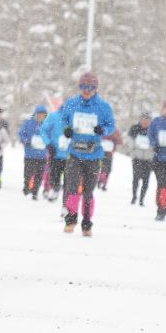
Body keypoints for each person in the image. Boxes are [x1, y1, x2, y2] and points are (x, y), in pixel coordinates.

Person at [56, 71, 115, 236]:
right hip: (75, 152)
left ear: (95, 88)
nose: (86, 90)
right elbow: (63, 120)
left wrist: (102, 129)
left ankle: (87, 223)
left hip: (94, 155)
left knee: (89, 191)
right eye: (83, 87)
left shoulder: (103, 107)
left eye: (90, 87)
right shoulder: (72, 104)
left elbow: (111, 125)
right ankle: (71, 219)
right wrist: (66, 129)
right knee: (72, 188)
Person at [40, 102, 71, 203]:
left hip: (71, 154)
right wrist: (48, 144)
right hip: (55, 152)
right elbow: (43, 130)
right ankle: (54, 189)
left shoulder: (74, 117)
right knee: (54, 174)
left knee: (70, 179)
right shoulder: (53, 116)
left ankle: (67, 201)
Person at [17, 105, 49, 201]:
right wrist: (25, 141)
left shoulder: (47, 125)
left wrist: (48, 143)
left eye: (42, 115)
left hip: (42, 155)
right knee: (28, 173)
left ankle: (35, 192)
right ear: (35, 114)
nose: (40, 116)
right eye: (38, 114)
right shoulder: (28, 123)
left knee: (39, 175)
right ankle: (26, 186)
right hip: (29, 154)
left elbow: (50, 137)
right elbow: (21, 134)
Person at [128, 112, 154, 205]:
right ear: (140, 120)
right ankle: (134, 196)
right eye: (143, 119)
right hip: (137, 158)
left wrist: (152, 150)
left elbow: (156, 144)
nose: (145, 122)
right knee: (136, 179)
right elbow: (130, 141)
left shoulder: (153, 130)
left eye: (147, 120)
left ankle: (142, 199)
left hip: (148, 159)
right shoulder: (135, 128)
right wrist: (134, 150)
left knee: (146, 180)